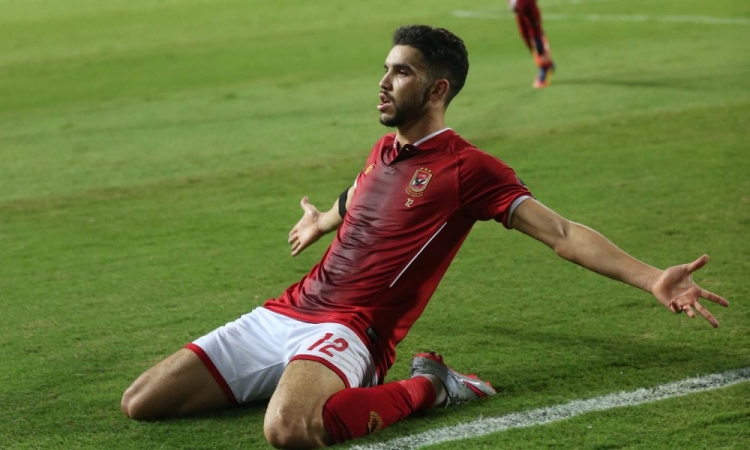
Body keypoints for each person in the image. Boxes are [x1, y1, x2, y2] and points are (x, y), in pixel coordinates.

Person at [120, 25, 729, 448]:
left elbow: (563, 233)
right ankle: (301, 382)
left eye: (402, 72)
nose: (384, 82)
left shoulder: (468, 169)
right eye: (385, 69)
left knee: (289, 432)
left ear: (438, 90)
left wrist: (653, 276)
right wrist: (323, 219)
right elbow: (361, 194)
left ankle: (429, 387)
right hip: (289, 310)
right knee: (141, 402)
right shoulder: (383, 150)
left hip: (352, 329)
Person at [509, 0, 555, 88]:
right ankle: (546, 62)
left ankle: (544, 67)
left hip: (527, 4)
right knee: (526, 35)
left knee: (535, 34)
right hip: (519, 6)